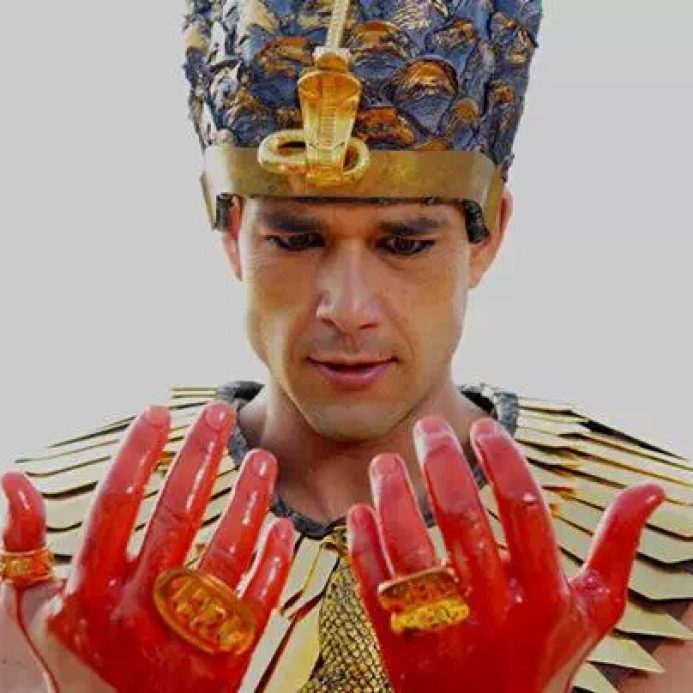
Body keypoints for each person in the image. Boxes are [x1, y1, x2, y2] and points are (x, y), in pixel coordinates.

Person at [2, 0, 692, 690]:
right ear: (232, 234)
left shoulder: (673, 566)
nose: (348, 309)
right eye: (295, 239)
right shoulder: (43, 564)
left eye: (405, 244)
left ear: (486, 237)